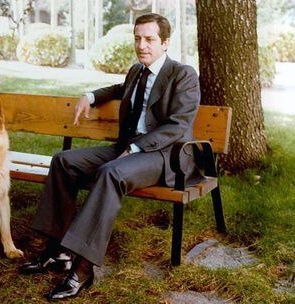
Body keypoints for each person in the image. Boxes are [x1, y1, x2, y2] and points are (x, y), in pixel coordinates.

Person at [20, 13, 203, 300]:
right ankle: (57, 251)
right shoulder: (136, 71)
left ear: (165, 43)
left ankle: (82, 268)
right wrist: (91, 96)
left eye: (149, 39)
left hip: (164, 156)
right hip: (127, 148)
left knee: (111, 172)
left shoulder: (183, 74)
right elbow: (120, 90)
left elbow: (178, 125)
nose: (141, 45)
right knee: (63, 161)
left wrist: (137, 147)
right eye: (137, 38)